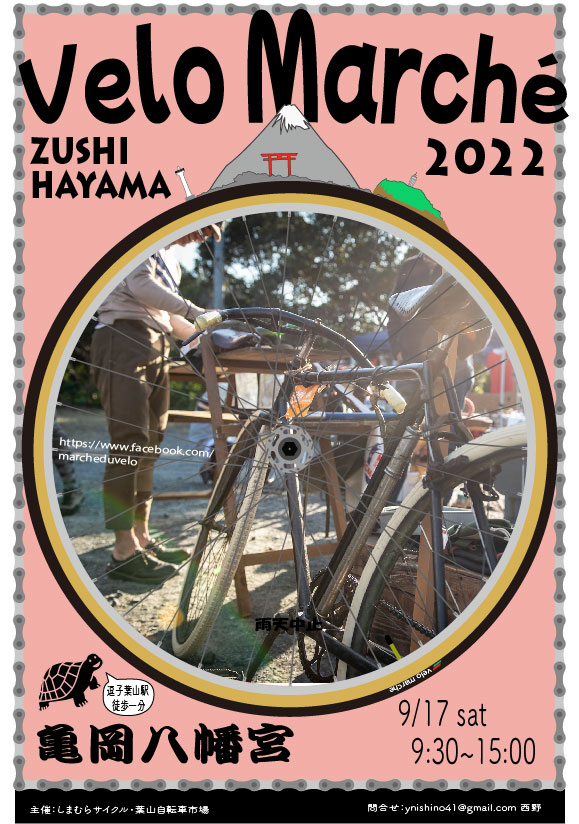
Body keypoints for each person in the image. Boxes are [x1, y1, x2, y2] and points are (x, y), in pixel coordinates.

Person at [90, 224, 221, 583]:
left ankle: (142, 537)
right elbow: (139, 285)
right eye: (204, 227)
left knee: (149, 445)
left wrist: (207, 335)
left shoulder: (171, 260)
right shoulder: (145, 236)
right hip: (123, 334)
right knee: (129, 441)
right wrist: (196, 310)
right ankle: (123, 551)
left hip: (157, 343)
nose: (202, 236)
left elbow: (171, 318)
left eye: (210, 233)